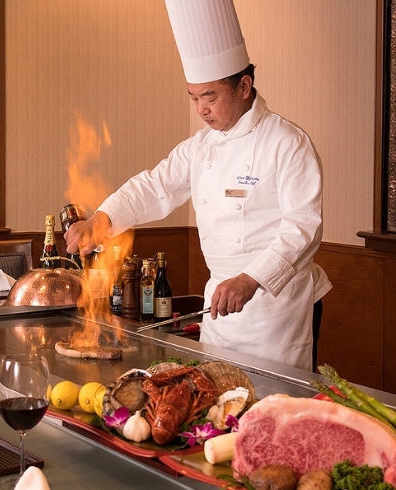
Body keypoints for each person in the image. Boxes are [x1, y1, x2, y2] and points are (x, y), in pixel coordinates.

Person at [65, 0, 331, 371]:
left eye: (210, 97)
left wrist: (250, 279)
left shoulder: (287, 142)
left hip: (274, 312)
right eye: (193, 98)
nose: (201, 110)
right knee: (216, 395)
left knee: (269, 400)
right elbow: (155, 186)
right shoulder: (201, 146)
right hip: (219, 309)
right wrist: (101, 220)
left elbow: (303, 227)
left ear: (244, 86)